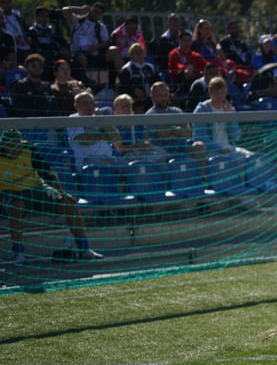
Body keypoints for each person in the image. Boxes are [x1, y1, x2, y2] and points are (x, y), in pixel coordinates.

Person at [0, 129, 104, 264]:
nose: (15, 149)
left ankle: (84, 249)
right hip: (9, 192)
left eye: (17, 145)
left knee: (69, 202)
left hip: (36, 189)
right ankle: (18, 253)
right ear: (4, 145)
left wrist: (61, 193)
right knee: (16, 207)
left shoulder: (28, 149)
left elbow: (48, 174)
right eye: (11, 146)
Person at [62, 3, 122, 91]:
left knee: (114, 51)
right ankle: (84, 85)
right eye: (94, 11)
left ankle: (123, 81)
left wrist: (96, 47)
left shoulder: (100, 26)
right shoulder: (78, 20)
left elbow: (106, 42)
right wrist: (80, 8)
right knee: (82, 58)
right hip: (78, 53)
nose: (95, 14)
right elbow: (64, 11)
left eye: (98, 13)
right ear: (90, 9)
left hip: (95, 54)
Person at [146, 81, 207, 162]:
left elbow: (188, 132)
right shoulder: (150, 115)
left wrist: (171, 130)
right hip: (162, 151)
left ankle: (203, 175)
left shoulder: (177, 111)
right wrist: (178, 130)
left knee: (199, 147)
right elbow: (164, 135)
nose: (163, 98)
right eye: (160, 96)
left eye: (165, 95)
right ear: (152, 97)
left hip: (182, 148)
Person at [192, 76, 251, 157]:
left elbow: (236, 136)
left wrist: (229, 117)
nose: (219, 96)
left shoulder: (230, 109)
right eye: (216, 93)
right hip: (209, 152)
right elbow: (200, 137)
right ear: (210, 92)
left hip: (230, 149)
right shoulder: (201, 110)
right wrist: (219, 149)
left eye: (222, 92)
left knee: (250, 157)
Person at [66, 91, 121, 171]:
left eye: (92, 103)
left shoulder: (99, 118)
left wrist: (101, 119)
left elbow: (116, 136)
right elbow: (83, 139)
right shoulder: (73, 119)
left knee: (130, 167)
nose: (89, 106)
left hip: (108, 159)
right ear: (76, 105)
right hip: (87, 161)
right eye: (85, 103)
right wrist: (104, 136)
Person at [111, 93, 168, 162]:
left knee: (162, 153)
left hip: (141, 154)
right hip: (123, 158)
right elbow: (121, 149)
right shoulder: (114, 126)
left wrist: (141, 146)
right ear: (116, 109)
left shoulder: (138, 124)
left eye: (129, 105)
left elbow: (147, 141)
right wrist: (138, 146)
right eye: (124, 106)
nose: (127, 108)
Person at [27, 6, 71, 81]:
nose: (45, 18)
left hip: (54, 55)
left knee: (71, 61)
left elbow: (60, 42)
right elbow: (36, 45)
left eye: (47, 16)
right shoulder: (32, 31)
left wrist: (63, 49)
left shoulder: (51, 30)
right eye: (43, 16)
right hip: (41, 55)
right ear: (36, 17)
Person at [9, 53, 58, 118]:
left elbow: (54, 108)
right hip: (26, 124)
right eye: (33, 66)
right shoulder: (18, 85)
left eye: (40, 66)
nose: (37, 68)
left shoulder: (46, 87)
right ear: (26, 68)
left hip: (46, 123)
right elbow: (18, 109)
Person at [116, 43, 159, 111]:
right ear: (131, 55)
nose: (139, 54)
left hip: (150, 99)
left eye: (141, 52)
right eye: (136, 52)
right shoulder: (127, 69)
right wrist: (133, 91)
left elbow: (158, 82)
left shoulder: (150, 68)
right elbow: (121, 88)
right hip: (133, 102)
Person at [168, 31, 207, 98]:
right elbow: (175, 66)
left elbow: (205, 64)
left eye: (189, 40)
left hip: (196, 80)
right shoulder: (174, 54)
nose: (187, 43)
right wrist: (185, 69)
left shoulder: (195, 55)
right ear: (179, 41)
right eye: (184, 40)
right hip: (179, 83)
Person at [218, 19, 255, 85]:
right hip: (233, 68)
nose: (235, 30)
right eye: (232, 28)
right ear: (228, 30)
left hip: (244, 67)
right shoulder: (224, 42)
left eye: (236, 28)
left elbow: (247, 56)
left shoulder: (241, 42)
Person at [0, 0, 30, 64]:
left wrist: (28, 38)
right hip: (10, 47)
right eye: (4, 2)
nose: (7, 4)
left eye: (9, 2)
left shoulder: (17, 15)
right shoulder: (1, 18)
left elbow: (25, 29)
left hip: (24, 46)